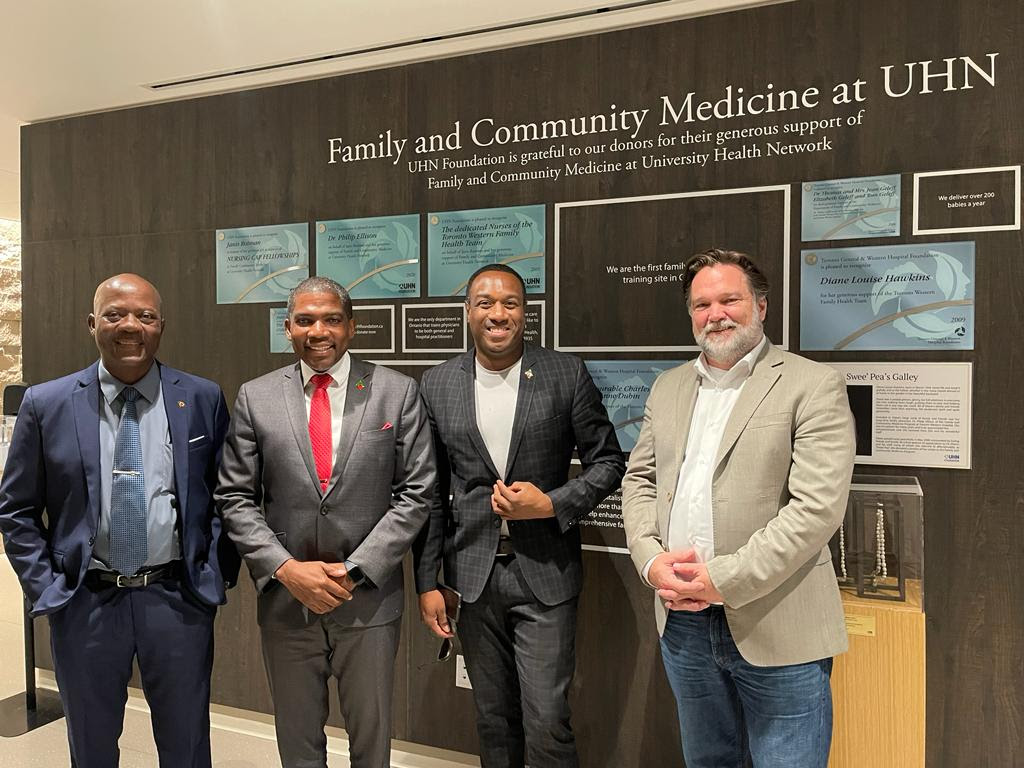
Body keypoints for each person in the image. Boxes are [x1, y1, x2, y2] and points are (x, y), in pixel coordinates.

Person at [621, 248, 856, 768]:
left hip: (778, 621)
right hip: (682, 623)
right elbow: (639, 481)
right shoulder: (668, 387)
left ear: (761, 306)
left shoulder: (812, 384)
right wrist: (651, 561)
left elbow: (815, 510)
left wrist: (721, 580)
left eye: (730, 300)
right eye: (702, 305)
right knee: (708, 760)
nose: (716, 314)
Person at [0, 273, 239, 767]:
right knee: (91, 748)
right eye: (115, 314)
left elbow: (226, 496)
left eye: (145, 316)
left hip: (177, 600)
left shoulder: (201, 398)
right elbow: (16, 509)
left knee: (188, 746)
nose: (130, 325)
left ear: (161, 326)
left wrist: (214, 572)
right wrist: (46, 587)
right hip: (84, 602)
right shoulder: (46, 404)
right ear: (92, 324)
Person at [216, 276, 433, 768]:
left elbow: (416, 493)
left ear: (351, 327)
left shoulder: (397, 392)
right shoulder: (256, 396)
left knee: (371, 747)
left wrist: (354, 571)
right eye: (305, 320)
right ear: (288, 328)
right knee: (298, 746)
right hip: (287, 602)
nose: (319, 331)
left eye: (332, 319)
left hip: (368, 602)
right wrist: (286, 569)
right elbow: (235, 496)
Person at [414, 263, 624, 768]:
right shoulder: (437, 383)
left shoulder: (564, 373)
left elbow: (609, 462)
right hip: (472, 577)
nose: (498, 313)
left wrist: (551, 503)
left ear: (525, 312)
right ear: (468, 311)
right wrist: (427, 581)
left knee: (547, 718)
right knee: (492, 718)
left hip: (545, 573)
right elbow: (430, 492)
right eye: (485, 303)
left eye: (510, 303)